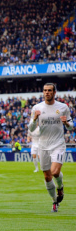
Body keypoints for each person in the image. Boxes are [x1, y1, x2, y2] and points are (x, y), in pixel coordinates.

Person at [29, 83, 73, 212]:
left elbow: (70, 126)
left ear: (54, 93)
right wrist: (35, 119)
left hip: (58, 144)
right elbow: (31, 129)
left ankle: (60, 186)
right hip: (43, 145)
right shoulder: (37, 108)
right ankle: (55, 201)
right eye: (45, 90)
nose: (47, 92)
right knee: (47, 176)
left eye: (49, 90)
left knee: (55, 172)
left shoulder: (63, 107)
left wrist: (66, 123)